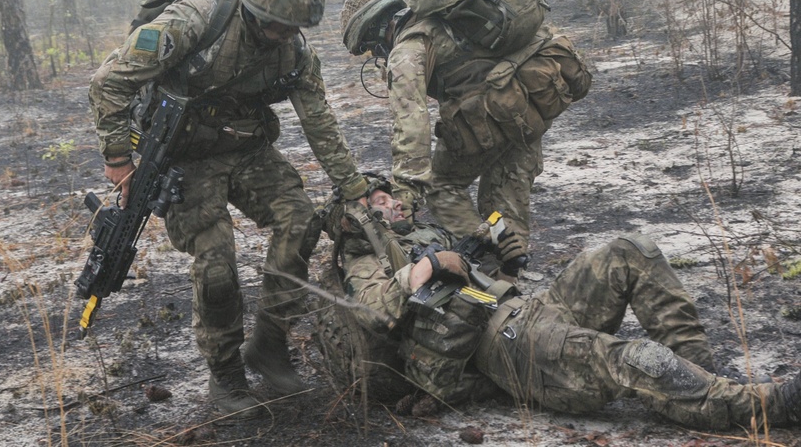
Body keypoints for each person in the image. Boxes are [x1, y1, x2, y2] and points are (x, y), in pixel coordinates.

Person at [89, 0, 370, 418]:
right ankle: (226, 376)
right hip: (183, 155)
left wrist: (355, 187)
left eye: (295, 28)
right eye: (279, 25)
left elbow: (319, 120)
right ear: (256, 12)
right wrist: (118, 159)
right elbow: (108, 83)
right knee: (217, 261)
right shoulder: (193, 23)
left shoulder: (294, 50)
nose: (288, 36)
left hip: (245, 147)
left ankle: (270, 344)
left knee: (301, 221)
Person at [315, 183, 801, 431]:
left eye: (391, 195)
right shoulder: (363, 260)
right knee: (630, 358)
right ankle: (766, 406)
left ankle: (705, 385)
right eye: (379, 201)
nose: (394, 204)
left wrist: (502, 263)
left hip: (524, 309)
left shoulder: (424, 234)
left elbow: (482, 293)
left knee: (631, 250)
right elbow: (378, 311)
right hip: (503, 346)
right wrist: (424, 267)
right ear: (358, 218)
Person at [339, 0, 590, 278]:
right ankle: (509, 282)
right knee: (504, 198)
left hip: (494, 117)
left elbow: (411, 124)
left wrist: (406, 192)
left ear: (377, 33)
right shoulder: (446, 18)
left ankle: (486, 264)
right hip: (531, 105)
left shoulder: (407, 50)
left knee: (442, 185)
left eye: (370, 48)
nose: (375, 55)